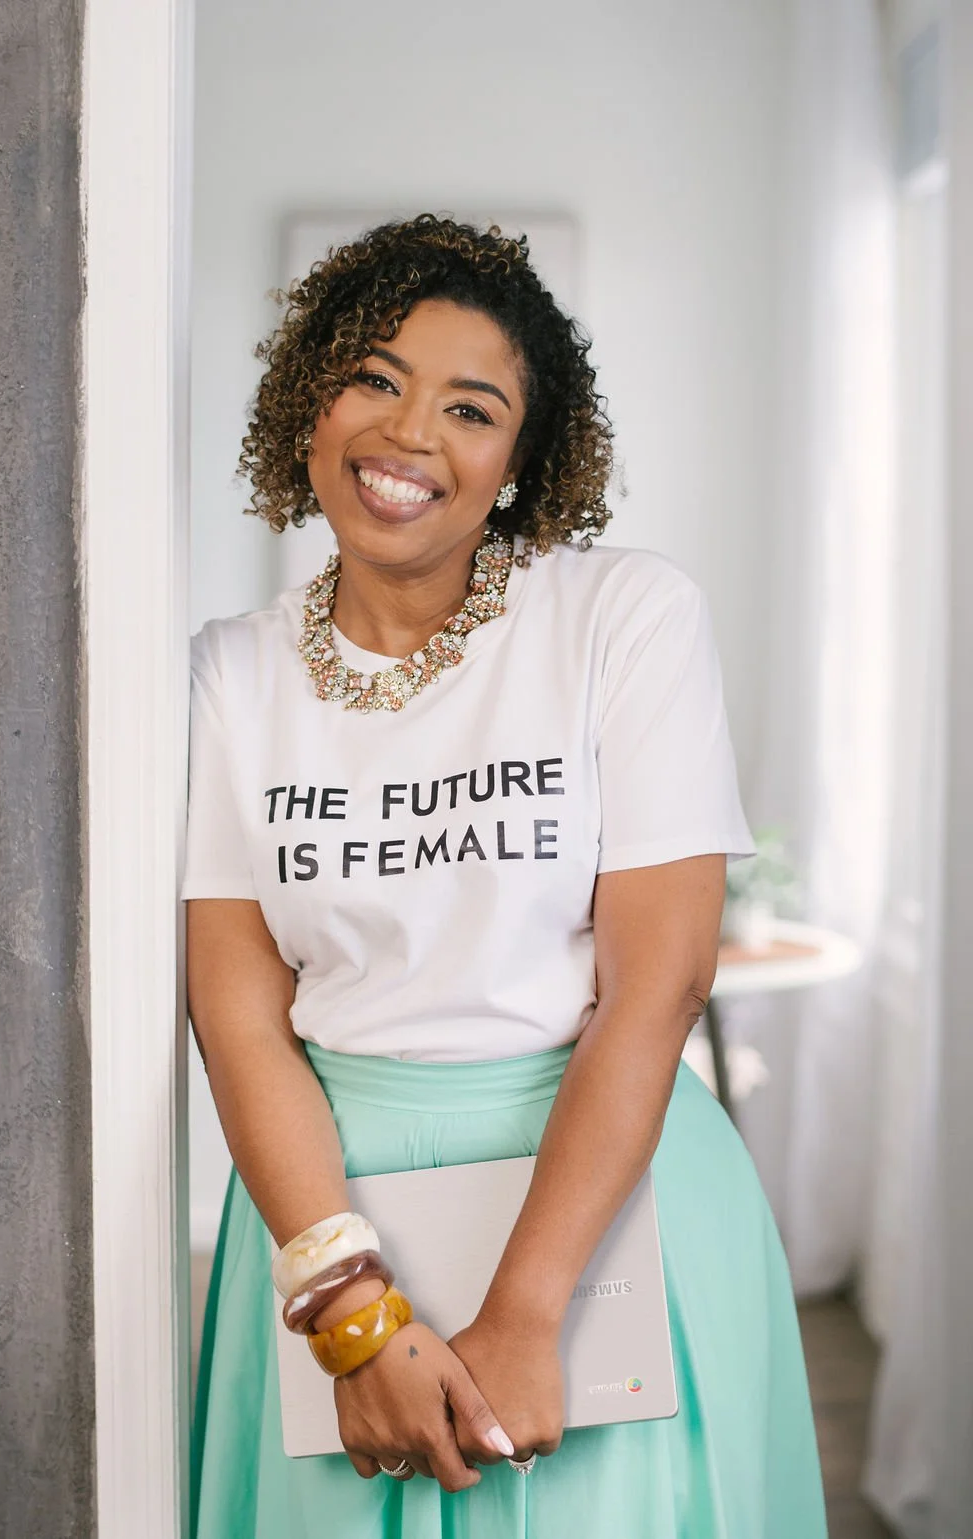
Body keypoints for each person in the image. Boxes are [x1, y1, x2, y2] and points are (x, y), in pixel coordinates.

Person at [183, 213, 827, 1539]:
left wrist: (531, 1312)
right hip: (329, 1215)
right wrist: (355, 1320)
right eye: (375, 376)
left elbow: (659, 986)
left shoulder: (623, 616)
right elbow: (237, 1017)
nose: (410, 432)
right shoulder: (223, 677)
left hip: (604, 1204)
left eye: (471, 407)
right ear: (312, 400)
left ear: (520, 460)